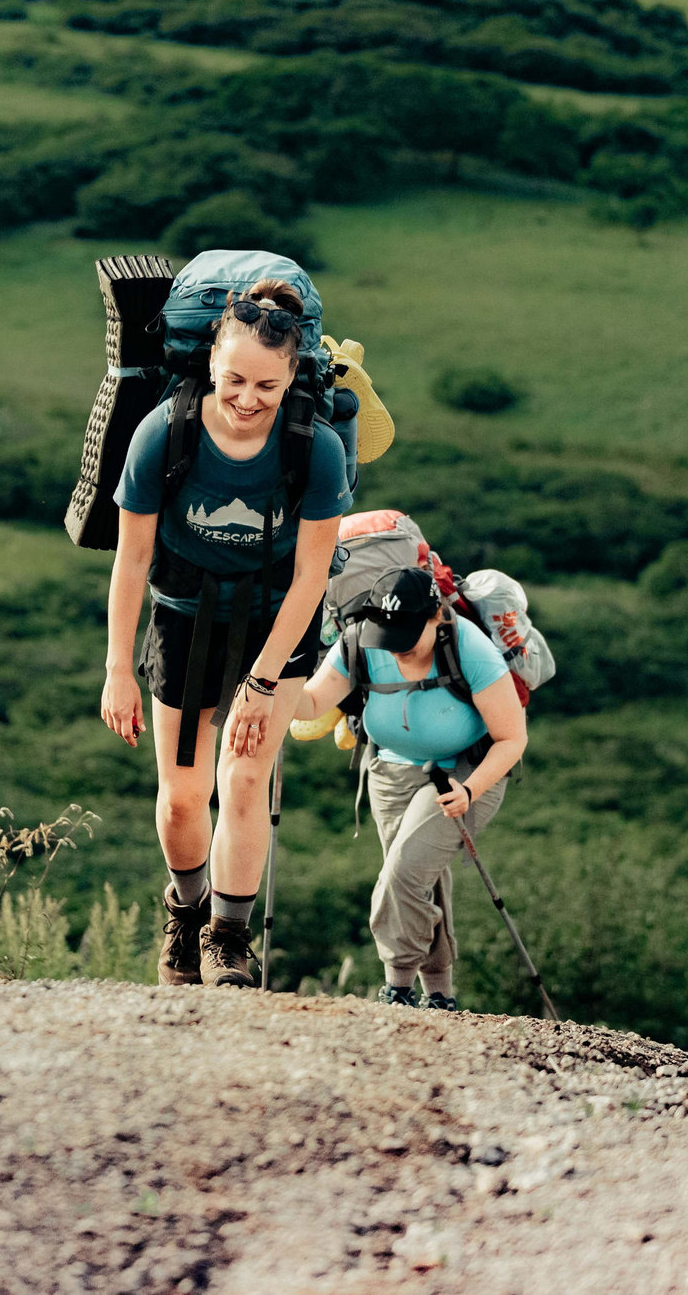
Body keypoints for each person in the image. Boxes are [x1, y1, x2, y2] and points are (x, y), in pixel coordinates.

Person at [99, 279, 350, 990]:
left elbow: (311, 580)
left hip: (277, 624)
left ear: (292, 375)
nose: (248, 397)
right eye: (235, 378)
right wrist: (119, 667)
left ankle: (229, 941)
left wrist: (264, 680)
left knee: (242, 779)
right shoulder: (164, 434)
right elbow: (133, 557)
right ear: (211, 361)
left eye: (267, 384)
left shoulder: (315, 450)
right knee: (182, 796)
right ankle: (186, 911)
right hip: (182, 615)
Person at [297, 565, 527, 1011]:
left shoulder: (471, 651)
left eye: (406, 637)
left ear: (436, 617)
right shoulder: (359, 641)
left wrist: (471, 789)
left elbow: (512, 739)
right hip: (389, 771)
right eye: (387, 636)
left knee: (402, 871)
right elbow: (310, 702)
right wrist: (271, 684)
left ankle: (397, 987)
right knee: (418, 881)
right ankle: (439, 994)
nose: (396, 651)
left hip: (466, 773)